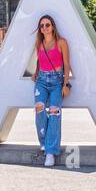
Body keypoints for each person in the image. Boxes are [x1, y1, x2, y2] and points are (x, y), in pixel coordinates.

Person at [33, 15, 73, 168]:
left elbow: (67, 64)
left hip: (57, 81)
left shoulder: (61, 42)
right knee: (40, 110)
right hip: (41, 81)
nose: (44, 28)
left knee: (55, 113)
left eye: (47, 25)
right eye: (42, 26)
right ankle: (44, 143)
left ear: (53, 26)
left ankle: (50, 151)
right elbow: (38, 60)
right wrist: (35, 72)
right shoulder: (39, 43)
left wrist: (65, 84)